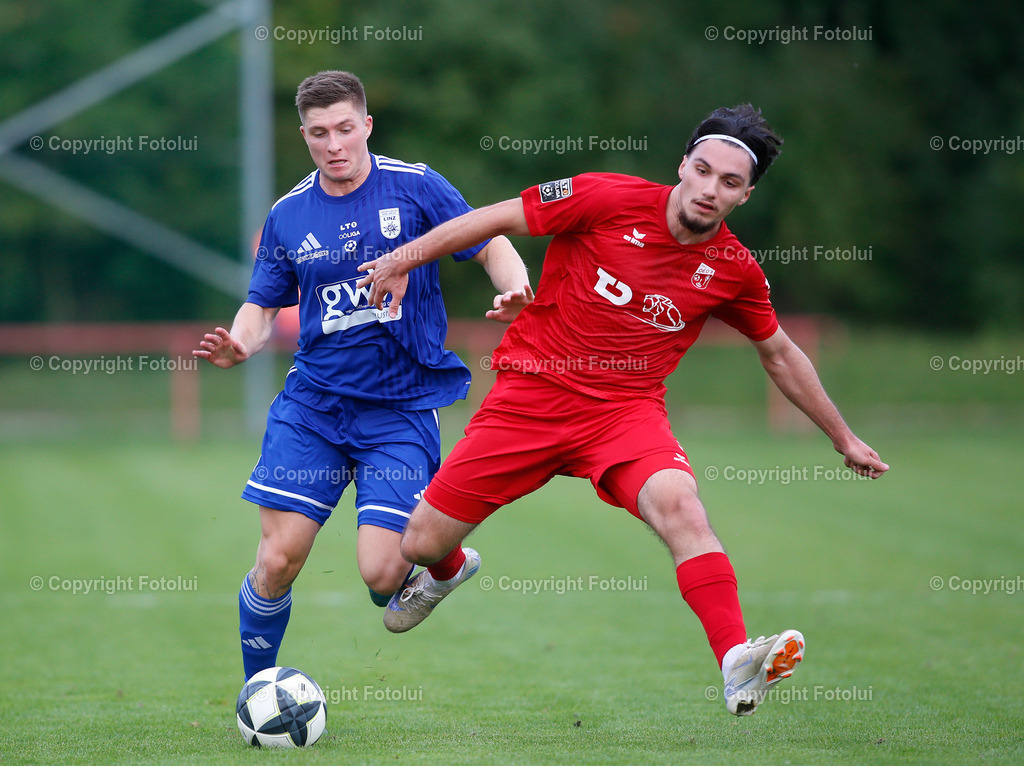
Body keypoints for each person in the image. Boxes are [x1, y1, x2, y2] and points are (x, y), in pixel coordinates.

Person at [356, 104, 890, 716]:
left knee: (682, 508)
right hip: (529, 399)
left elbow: (780, 354)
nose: (710, 189)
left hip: (624, 416)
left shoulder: (734, 270)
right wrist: (403, 258)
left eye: (729, 182)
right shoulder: (604, 197)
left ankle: (736, 660)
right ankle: (448, 570)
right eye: (703, 170)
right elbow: (493, 218)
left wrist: (843, 437)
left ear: (745, 195)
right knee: (421, 544)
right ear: (682, 165)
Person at [192, 70, 531, 681]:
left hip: (399, 408)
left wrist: (514, 289)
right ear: (304, 136)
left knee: (381, 577)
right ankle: (257, 692)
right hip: (314, 407)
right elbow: (262, 304)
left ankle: (446, 562)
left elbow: (489, 240)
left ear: (367, 125)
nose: (334, 144)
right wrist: (241, 342)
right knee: (277, 559)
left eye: (345, 128)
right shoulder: (288, 214)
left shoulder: (415, 186)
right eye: (319, 133)